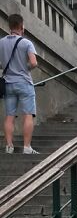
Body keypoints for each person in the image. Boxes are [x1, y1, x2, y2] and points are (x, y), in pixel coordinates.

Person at [0, 14, 39, 156]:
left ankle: (9, 146)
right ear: (22, 26)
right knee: (28, 115)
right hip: (24, 83)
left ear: (9, 26)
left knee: (9, 116)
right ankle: (27, 147)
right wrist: (24, 68)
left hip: (8, 84)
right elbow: (33, 63)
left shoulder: (1, 42)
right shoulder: (26, 43)